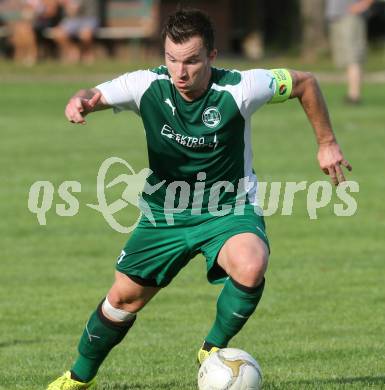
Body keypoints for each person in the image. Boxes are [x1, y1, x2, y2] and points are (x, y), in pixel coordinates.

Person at [47, 8, 352, 390]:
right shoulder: (146, 85)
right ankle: (77, 378)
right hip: (165, 213)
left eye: (191, 60)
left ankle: (212, 350)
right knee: (123, 300)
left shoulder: (241, 87)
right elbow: (93, 94)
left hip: (228, 208)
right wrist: (80, 101)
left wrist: (327, 143)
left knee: (251, 263)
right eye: (172, 59)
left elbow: (305, 82)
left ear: (211, 55)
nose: (180, 72)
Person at [325, 0, 374, 104]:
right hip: (336, 17)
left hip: (350, 17)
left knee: (353, 57)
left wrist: (363, 4)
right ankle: (351, 93)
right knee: (345, 60)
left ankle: (354, 96)